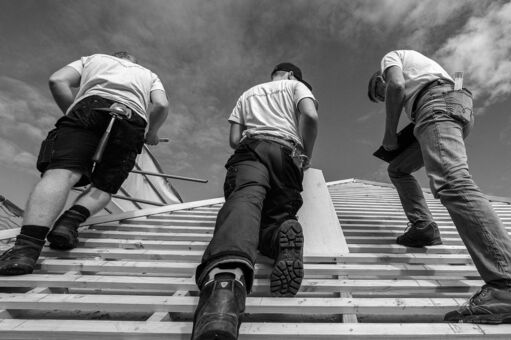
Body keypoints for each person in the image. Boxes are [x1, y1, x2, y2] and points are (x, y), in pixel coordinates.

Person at [367, 50, 511, 325]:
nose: (384, 99)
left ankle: (509, 285)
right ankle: (423, 227)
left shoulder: (391, 58)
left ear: (379, 79)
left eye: (379, 94)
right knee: (397, 168)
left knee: (452, 180)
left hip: (436, 104)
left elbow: (397, 86)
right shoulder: (429, 69)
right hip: (452, 103)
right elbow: (458, 81)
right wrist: (455, 99)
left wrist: (390, 134)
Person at [0, 51, 169, 275]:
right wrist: (152, 133)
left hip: (90, 107)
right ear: (134, 62)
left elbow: (57, 80)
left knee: (62, 173)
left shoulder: (94, 59)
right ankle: (69, 223)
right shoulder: (149, 74)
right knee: (105, 185)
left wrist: (73, 113)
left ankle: (25, 250)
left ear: (115, 56)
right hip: (131, 119)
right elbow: (161, 105)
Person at [191, 63, 318, 340]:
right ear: (292, 75)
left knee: (245, 201)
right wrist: (306, 154)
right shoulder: (296, 87)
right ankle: (279, 236)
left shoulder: (248, 94)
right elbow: (309, 114)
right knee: (279, 215)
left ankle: (222, 295)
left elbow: (234, 139)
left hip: (252, 149)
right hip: (288, 154)